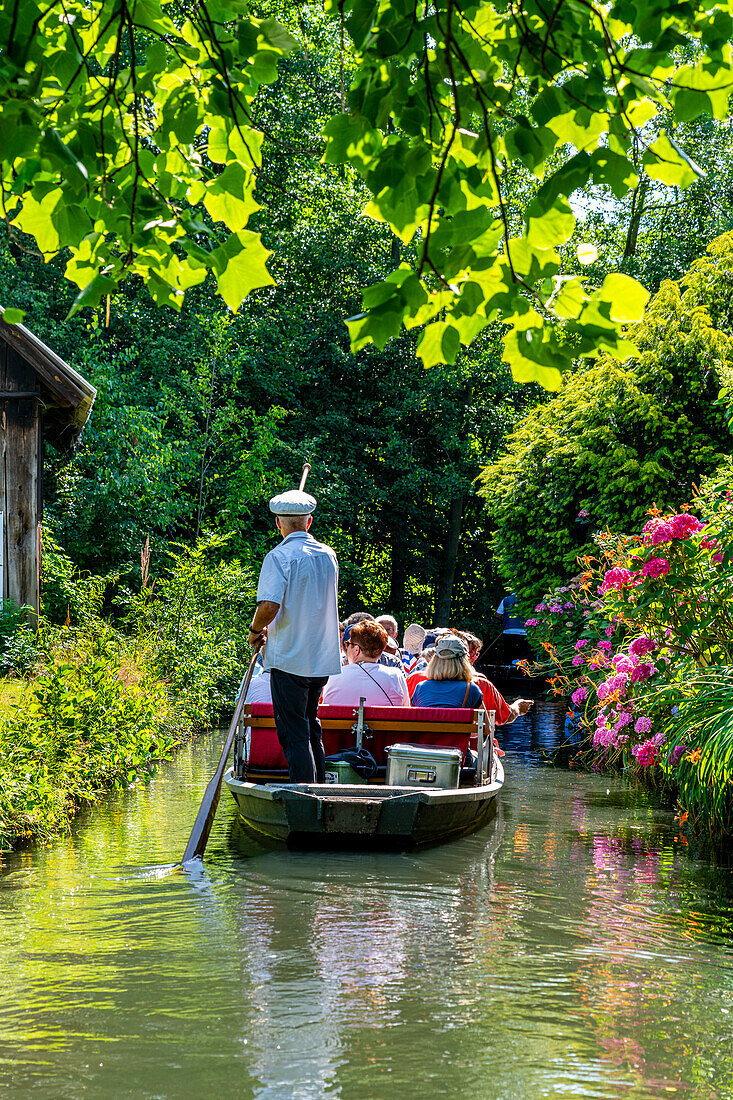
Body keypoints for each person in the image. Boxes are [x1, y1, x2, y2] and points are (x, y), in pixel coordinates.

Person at [248, 486, 342, 783]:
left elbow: (270, 605)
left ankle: (305, 794)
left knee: (293, 731)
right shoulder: (328, 555)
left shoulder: (278, 557)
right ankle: (317, 787)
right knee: (310, 724)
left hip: (290, 657)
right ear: (309, 521)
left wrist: (254, 631)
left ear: (279, 523)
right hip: (321, 657)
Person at [321, 620, 410, 707]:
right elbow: (406, 711)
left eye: (348, 644)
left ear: (357, 649)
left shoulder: (334, 675)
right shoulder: (396, 676)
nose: (347, 648)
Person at [496, 592, 531, 664]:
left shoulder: (506, 600)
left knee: (509, 654)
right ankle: (523, 671)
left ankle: (508, 669)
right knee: (523, 656)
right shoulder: (527, 600)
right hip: (524, 631)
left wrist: (507, 619)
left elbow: (498, 614)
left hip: (509, 630)